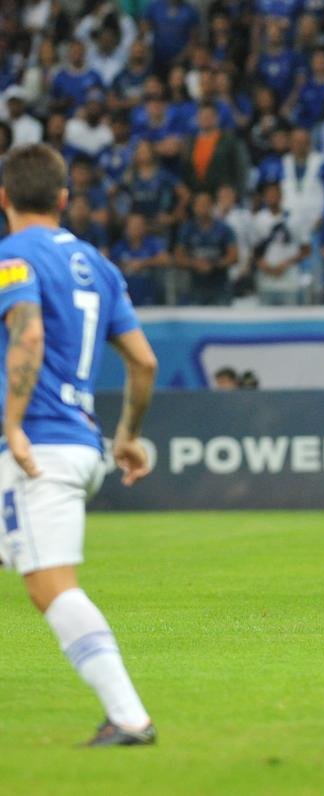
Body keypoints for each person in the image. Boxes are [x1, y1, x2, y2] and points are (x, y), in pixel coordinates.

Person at [0, 143, 159, 745]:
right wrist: (129, 437)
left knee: (49, 585)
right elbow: (143, 363)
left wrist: (13, 422)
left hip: (37, 447)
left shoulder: (13, 257)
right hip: (82, 442)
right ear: (63, 199)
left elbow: (28, 332)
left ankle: (128, 716)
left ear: (4, 198)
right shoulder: (98, 264)